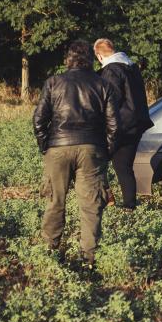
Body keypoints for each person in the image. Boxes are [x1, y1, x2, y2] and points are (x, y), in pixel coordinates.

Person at [33, 39, 118, 264]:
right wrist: (105, 152)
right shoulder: (103, 85)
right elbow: (114, 125)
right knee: (91, 206)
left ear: (68, 59)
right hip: (92, 149)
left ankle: (50, 252)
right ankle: (88, 259)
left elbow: (39, 120)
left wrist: (46, 146)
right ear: (90, 60)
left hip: (58, 148)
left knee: (55, 201)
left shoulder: (53, 82)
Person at [93, 38, 154, 209]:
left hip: (121, 126)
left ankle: (111, 200)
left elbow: (111, 101)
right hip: (137, 123)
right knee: (123, 166)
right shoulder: (131, 67)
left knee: (97, 160)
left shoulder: (111, 70)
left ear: (99, 55)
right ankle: (128, 206)